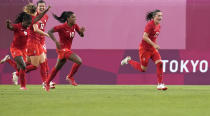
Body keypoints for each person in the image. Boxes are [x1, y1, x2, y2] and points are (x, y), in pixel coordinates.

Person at [121, 10, 167, 90]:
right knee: (143, 69)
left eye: (161, 16)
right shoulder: (150, 25)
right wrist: (154, 44)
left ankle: (160, 84)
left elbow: (153, 38)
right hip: (144, 49)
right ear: (154, 17)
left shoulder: (159, 26)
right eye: (158, 16)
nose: (160, 18)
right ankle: (128, 60)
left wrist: (154, 46)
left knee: (160, 63)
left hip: (152, 49)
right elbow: (144, 37)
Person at [45, 11, 85, 91]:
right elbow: (49, 32)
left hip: (66, 50)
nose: (75, 18)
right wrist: (56, 41)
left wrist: (82, 32)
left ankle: (47, 83)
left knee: (57, 68)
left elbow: (81, 35)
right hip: (62, 49)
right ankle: (70, 77)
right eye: (73, 17)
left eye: (75, 17)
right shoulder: (62, 27)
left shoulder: (74, 26)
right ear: (68, 18)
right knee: (79, 61)